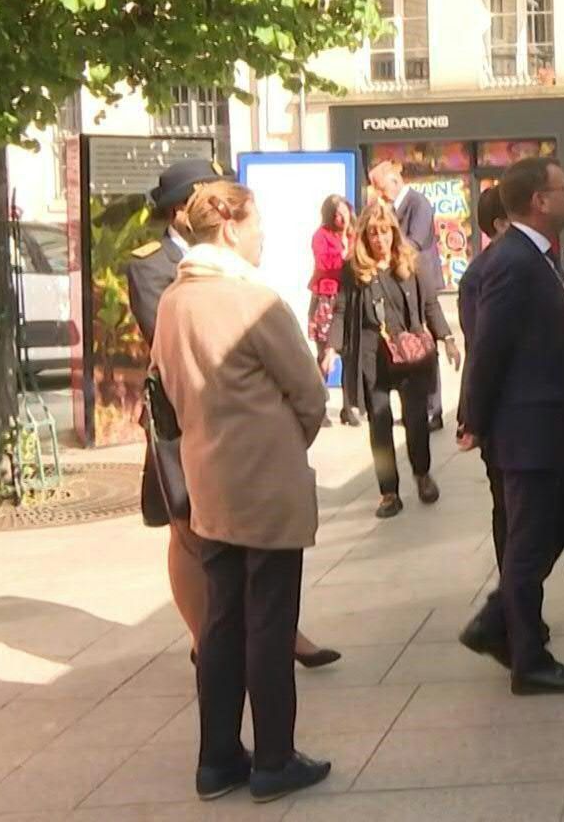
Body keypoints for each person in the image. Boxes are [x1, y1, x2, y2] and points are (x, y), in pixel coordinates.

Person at [150, 182, 333, 803]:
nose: (262, 237)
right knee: (272, 620)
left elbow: (164, 393)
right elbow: (309, 394)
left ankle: (218, 759)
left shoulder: (175, 300)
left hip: (208, 478)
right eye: (256, 225)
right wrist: (283, 443)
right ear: (229, 227)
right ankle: (275, 761)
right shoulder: (252, 301)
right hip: (266, 481)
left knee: (222, 622)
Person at [126, 160, 337, 672]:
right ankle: (209, 638)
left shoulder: (226, 276)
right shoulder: (157, 267)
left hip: (235, 435)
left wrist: (280, 438)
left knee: (252, 573)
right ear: (187, 208)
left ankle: (269, 639)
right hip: (186, 421)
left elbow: (304, 394)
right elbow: (170, 346)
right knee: (190, 535)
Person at [455, 157, 564, 695]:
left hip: (551, 428)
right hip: (531, 430)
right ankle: (527, 658)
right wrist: (474, 419)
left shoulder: (535, 256)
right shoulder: (513, 263)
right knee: (528, 543)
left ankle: (499, 625)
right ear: (539, 202)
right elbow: (488, 349)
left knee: (558, 523)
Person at [321, 203, 460, 519]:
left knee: (415, 420)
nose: (380, 239)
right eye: (373, 233)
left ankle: (422, 475)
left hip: (410, 358)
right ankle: (389, 492)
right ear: (364, 236)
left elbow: (431, 306)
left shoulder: (412, 263)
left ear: (394, 233)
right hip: (373, 359)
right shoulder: (354, 269)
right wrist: (331, 349)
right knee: (380, 425)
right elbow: (341, 310)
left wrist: (448, 339)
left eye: (385, 232)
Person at [368, 160, 445, 429]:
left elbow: (416, 240)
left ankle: (433, 409)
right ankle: (417, 406)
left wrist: (393, 252)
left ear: (395, 181)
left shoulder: (418, 203)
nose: (379, 192)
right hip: (400, 281)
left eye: (381, 186)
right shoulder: (389, 207)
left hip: (420, 280)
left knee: (426, 347)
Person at [307, 195, 362, 428]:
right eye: (336, 214)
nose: (341, 218)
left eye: (344, 213)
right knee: (325, 353)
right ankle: (319, 407)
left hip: (350, 294)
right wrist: (343, 255)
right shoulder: (321, 236)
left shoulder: (355, 234)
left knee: (350, 351)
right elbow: (324, 263)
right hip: (326, 296)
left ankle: (349, 407)